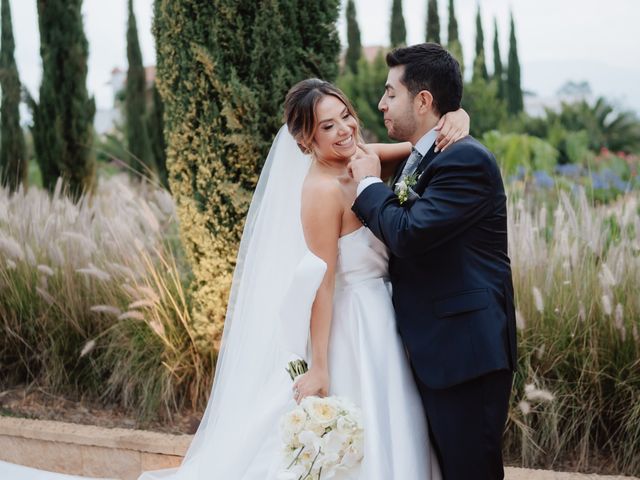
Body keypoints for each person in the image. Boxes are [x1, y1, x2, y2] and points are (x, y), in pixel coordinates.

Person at [0, 79, 470, 479]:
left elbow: (419, 149)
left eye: (345, 116)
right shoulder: (321, 192)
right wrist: (321, 366)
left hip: (384, 313)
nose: (344, 129)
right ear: (305, 140)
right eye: (327, 126)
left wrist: (458, 119)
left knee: (397, 421)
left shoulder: (361, 155)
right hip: (355, 324)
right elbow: (320, 285)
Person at [349, 43, 517, 480]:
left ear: (423, 100)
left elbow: (407, 233)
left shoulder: (465, 159)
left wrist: (367, 182)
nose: (381, 103)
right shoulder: (424, 154)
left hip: (465, 357)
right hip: (434, 352)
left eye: (390, 93)